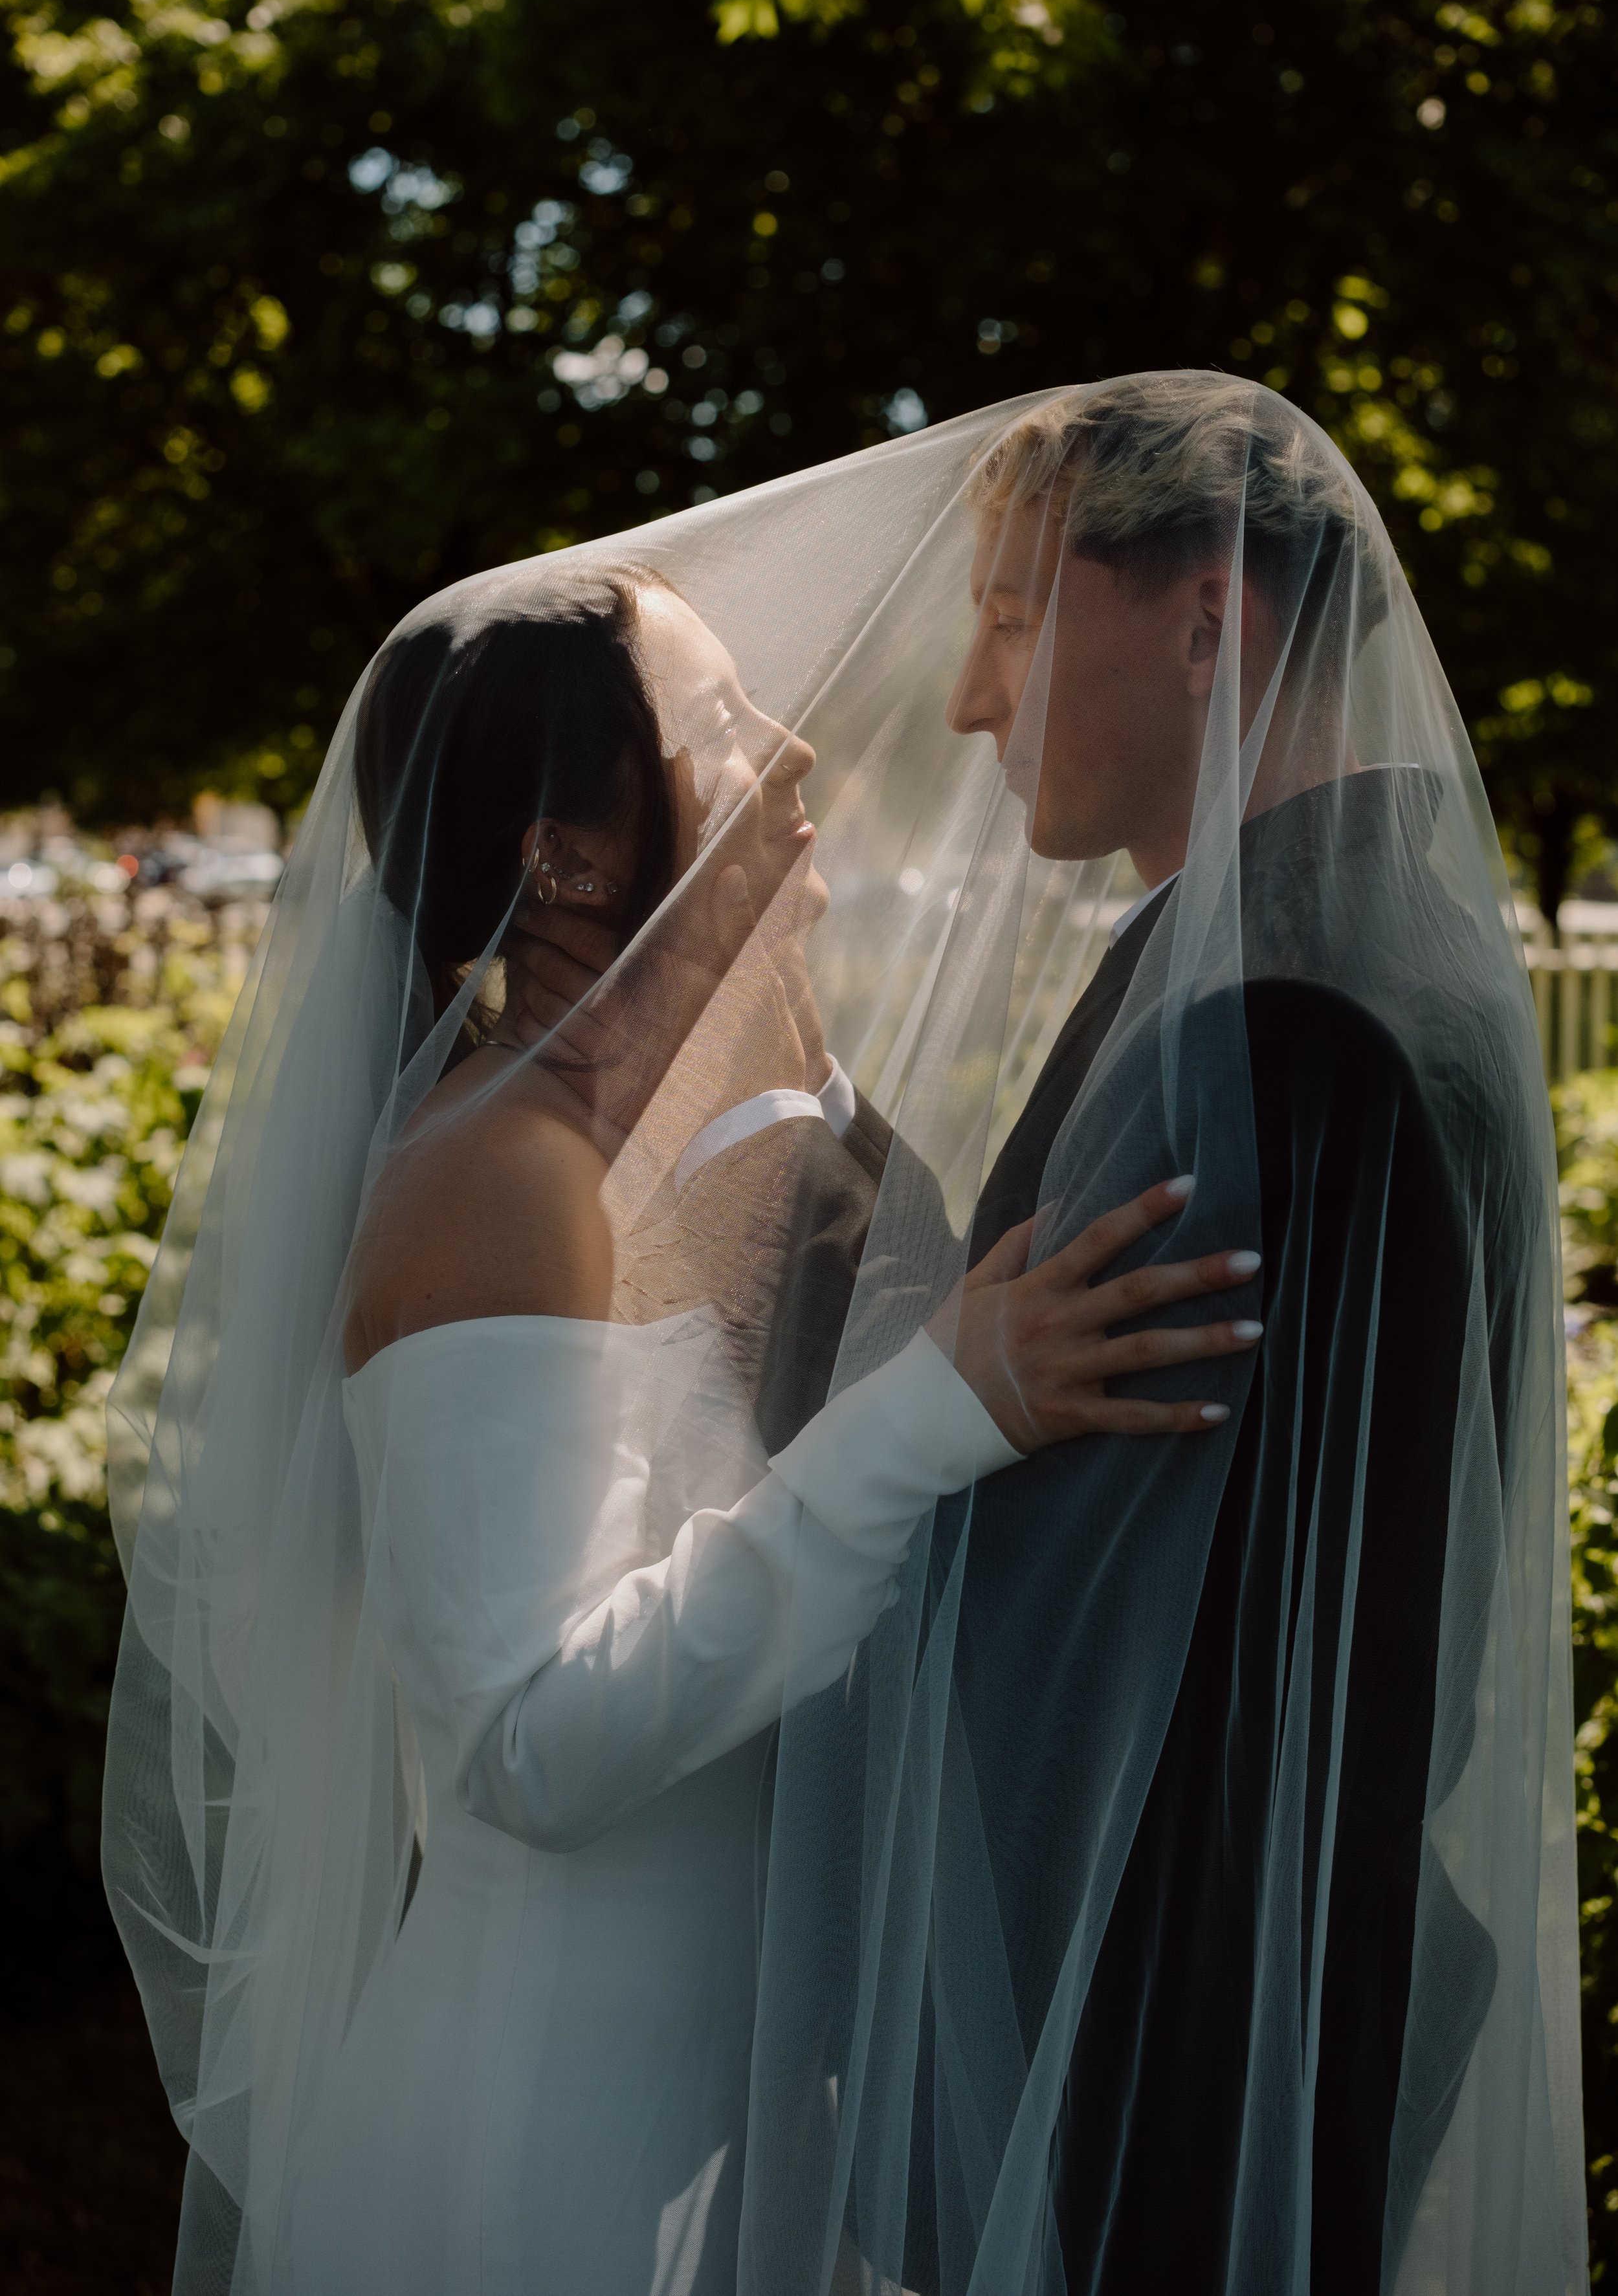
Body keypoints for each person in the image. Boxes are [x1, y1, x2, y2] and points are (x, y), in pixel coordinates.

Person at [513, 379, 1582, 2296]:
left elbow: (1072, 1623)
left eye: (1009, 615)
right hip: (1253, 2007)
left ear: (1201, 623)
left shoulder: (1273, 1029)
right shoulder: (1361, 944)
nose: (967, 699)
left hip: (1145, 2064)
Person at [101, 547, 1258, 2296]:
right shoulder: (506, 1177)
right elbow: (532, 1747)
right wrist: (948, 1404)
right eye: (718, 725)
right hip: (564, 2150)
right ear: (562, 853)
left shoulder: (655, 1141)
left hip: (733, 2108)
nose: (793, 755)